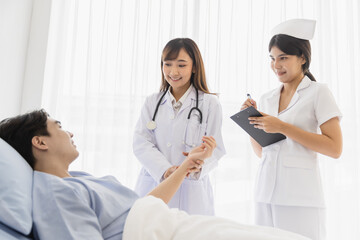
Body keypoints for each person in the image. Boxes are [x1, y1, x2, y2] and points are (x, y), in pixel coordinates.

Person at [0, 110, 310, 240]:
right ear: (39, 142)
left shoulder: (77, 179)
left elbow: (142, 207)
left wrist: (189, 165)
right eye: (57, 126)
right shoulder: (53, 192)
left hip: (173, 224)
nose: (68, 131)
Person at [240, 19, 343, 240]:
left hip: (301, 198)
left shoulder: (318, 92)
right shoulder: (268, 98)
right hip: (264, 195)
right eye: (272, 58)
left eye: (283, 58)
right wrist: (251, 123)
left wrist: (283, 127)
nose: (276, 65)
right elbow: (262, 153)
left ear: (303, 58)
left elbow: (335, 148)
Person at [133, 38, 226, 215]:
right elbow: (141, 143)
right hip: (154, 183)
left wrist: (199, 166)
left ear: (194, 67)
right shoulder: (152, 102)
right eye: (167, 64)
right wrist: (165, 170)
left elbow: (217, 149)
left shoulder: (209, 104)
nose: (173, 71)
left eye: (181, 65)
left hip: (192, 190)